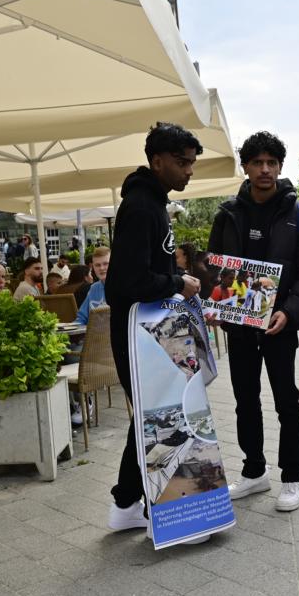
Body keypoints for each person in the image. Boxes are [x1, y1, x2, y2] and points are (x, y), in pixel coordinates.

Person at [207, 131, 299, 512]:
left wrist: (289, 311)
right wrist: (216, 303)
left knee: (286, 400)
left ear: (280, 166)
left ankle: (293, 476)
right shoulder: (227, 214)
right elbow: (214, 270)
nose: (265, 169)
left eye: (271, 162)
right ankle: (254, 470)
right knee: (245, 400)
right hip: (240, 326)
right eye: (257, 162)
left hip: (279, 326)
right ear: (245, 166)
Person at [104, 123, 206, 537]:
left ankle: (127, 503)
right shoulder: (142, 206)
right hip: (139, 332)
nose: (189, 171)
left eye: (192, 163)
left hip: (153, 328)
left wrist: (174, 283)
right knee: (160, 416)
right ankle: (164, 513)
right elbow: (125, 282)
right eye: (182, 163)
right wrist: (177, 282)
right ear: (158, 161)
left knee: (156, 413)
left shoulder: (152, 203)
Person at [75, 247, 110, 325]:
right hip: (93, 332)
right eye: (97, 265)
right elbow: (81, 318)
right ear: (93, 267)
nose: (101, 268)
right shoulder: (94, 288)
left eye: (106, 264)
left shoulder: (123, 287)